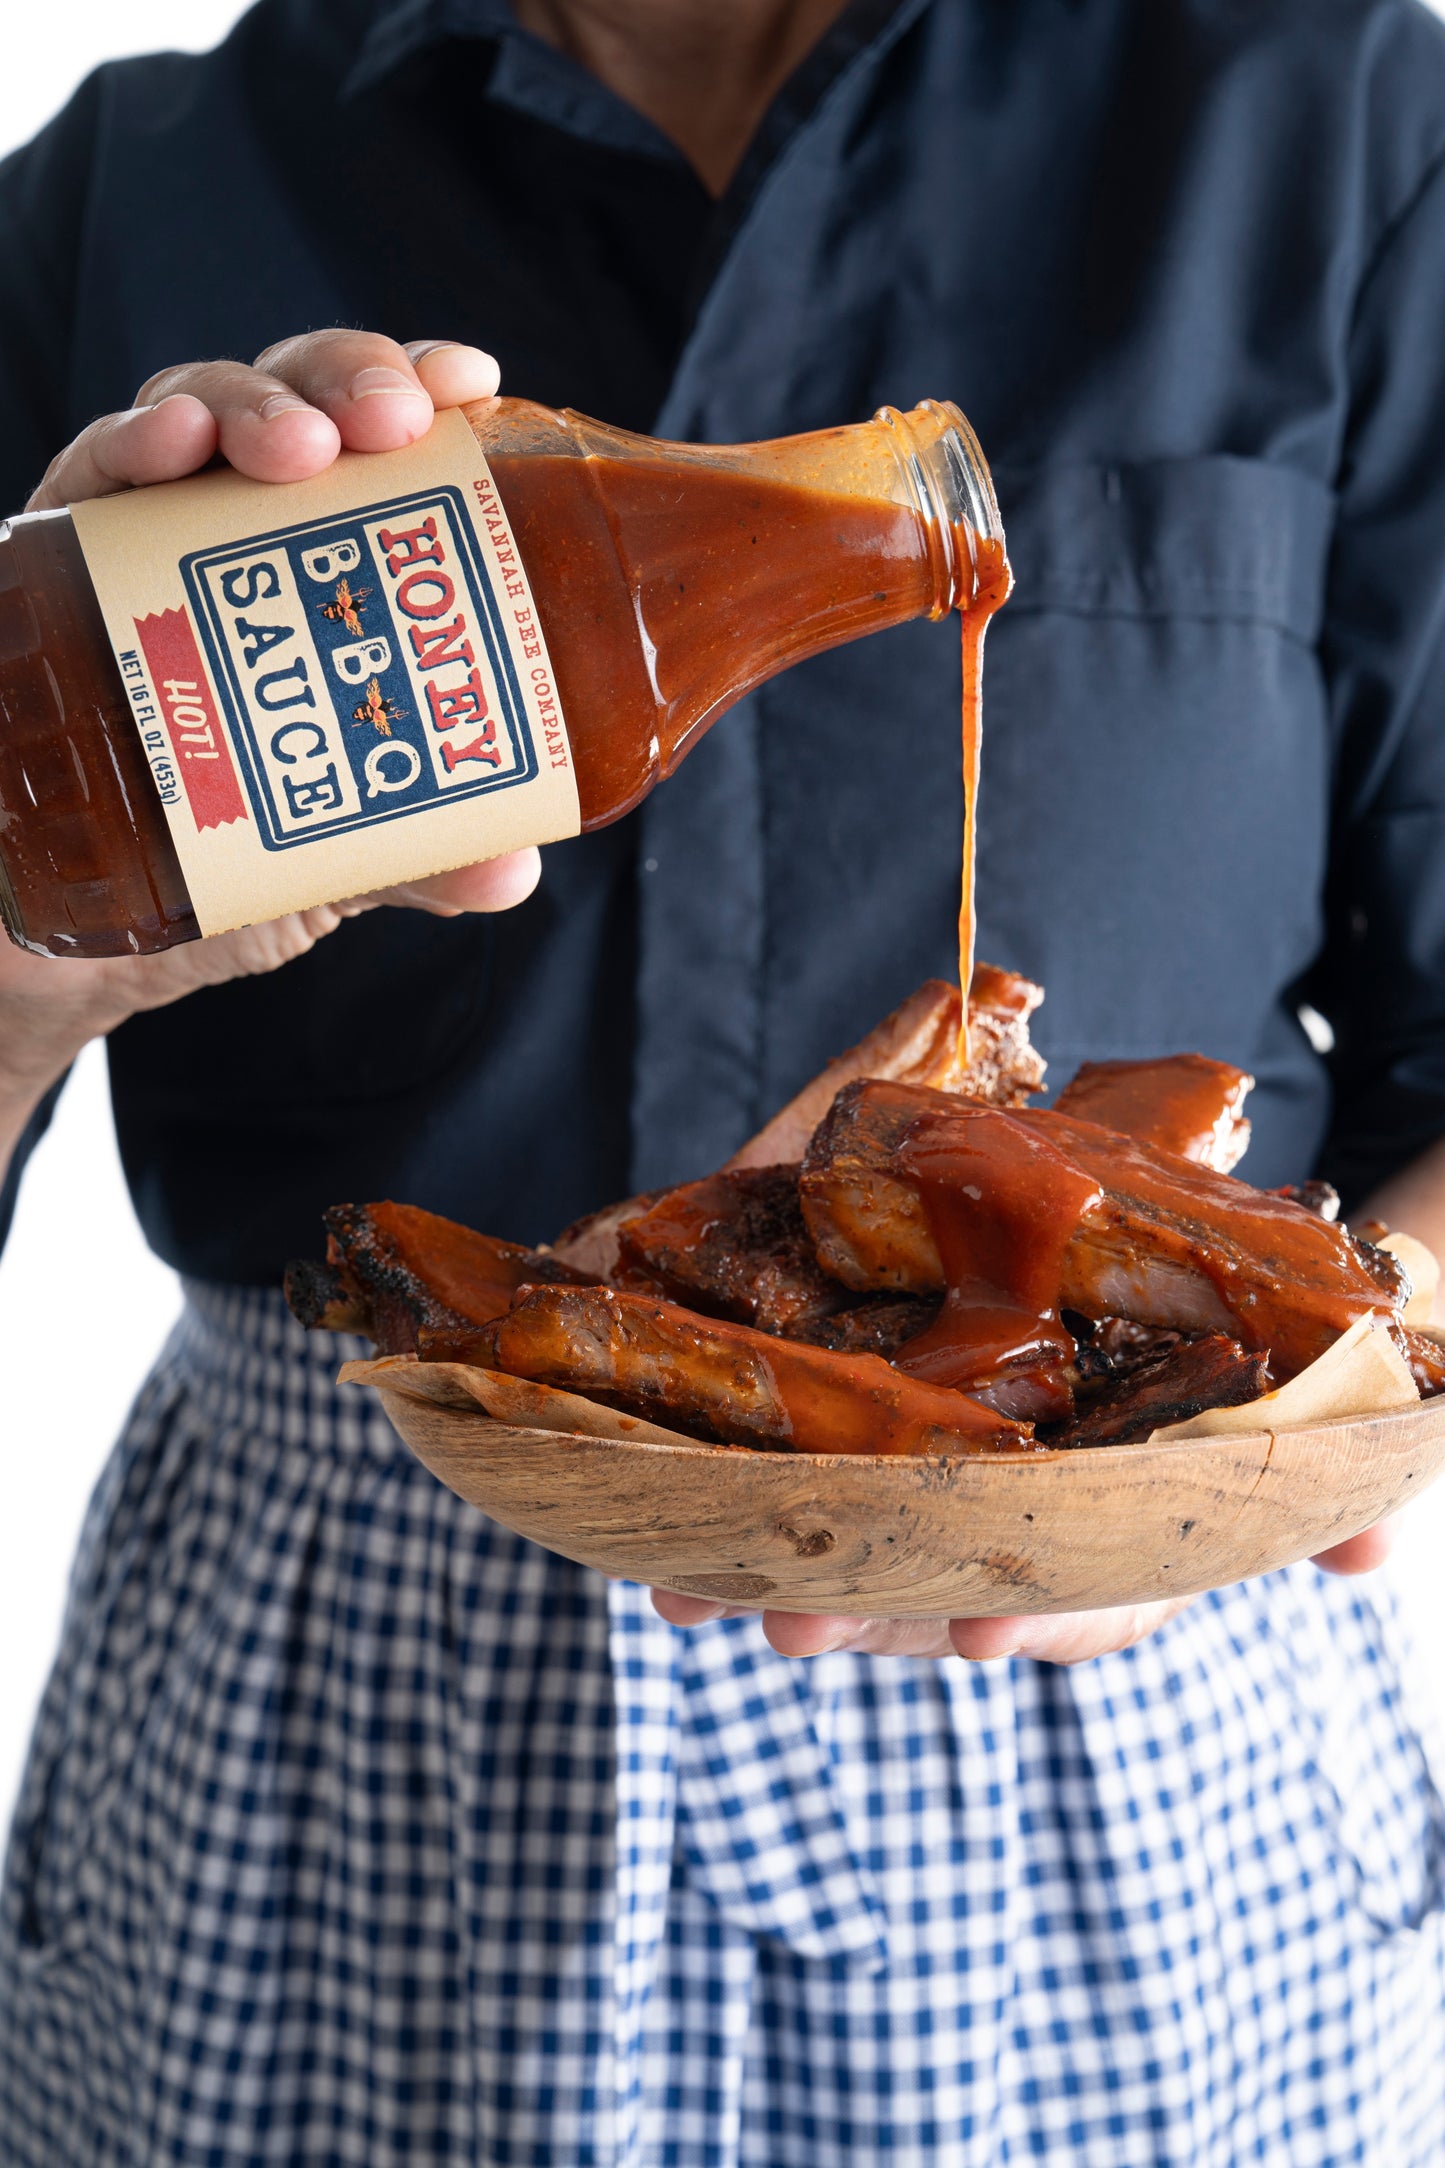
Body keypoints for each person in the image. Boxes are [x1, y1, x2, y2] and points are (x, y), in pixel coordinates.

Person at [2, 0, 1445, 2159]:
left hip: (1120, 1701)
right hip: (327, 1707)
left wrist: (1267, 1444)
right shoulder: (139, 185)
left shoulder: (1337, 120)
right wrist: (38, 939)